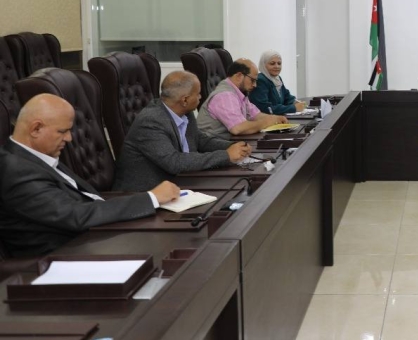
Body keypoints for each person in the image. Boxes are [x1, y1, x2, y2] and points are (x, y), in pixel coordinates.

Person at [0, 94, 180, 257]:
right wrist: (151, 198)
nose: (69, 138)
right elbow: (74, 216)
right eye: (62, 131)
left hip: (93, 238)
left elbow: (86, 200)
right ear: (36, 129)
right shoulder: (16, 170)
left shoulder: (36, 155)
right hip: (63, 257)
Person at [115, 71, 253, 192]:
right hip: (143, 195)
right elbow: (174, 162)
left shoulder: (184, 111)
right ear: (185, 100)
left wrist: (232, 147)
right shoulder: (151, 121)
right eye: (198, 94)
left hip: (180, 183)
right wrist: (225, 155)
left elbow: (199, 140)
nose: (200, 97)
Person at [197, 59, 287, 139]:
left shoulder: (240, 93)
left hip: (229, 143)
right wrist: (266, 122)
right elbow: (238, 128)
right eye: (252, 80)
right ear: (239, 76)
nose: (255, 85)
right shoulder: (225, 95)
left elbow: (255, 115)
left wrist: (276, 119)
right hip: (214, 148)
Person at [250, 50, 306, 115]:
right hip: (265, 119)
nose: (277, 66)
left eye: (279, 63)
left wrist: (295, 102)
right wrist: (294, 108)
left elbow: (286, 96)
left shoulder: (277, 79)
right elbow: (265, 108)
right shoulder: (260, 80)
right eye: (272, 63)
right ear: (263, 65)